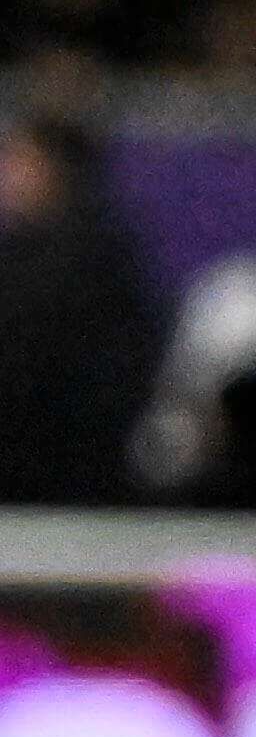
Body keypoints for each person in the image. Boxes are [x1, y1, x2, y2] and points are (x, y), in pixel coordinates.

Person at [0, 101, 159, 505]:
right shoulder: (26, 252)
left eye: (19, 160)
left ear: (54, 168)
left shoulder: (90, 259)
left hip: (64, 475)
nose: (7, 174)